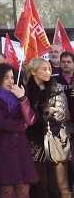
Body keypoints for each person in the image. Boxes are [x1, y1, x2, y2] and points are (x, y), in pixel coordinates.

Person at [0, 63, 37, 198]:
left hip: (20, 148)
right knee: (7, 190)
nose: (11, 81)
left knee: (24, 187)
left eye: (12, 77)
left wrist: (22, 98)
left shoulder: (18, 95)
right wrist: (21, 125)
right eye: (6, 78)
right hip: (3, 148)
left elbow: (31, 119)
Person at [26, 58, 72, 198]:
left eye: (49, 69)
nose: (48, 72)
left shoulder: (56, 87)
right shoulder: (27, 90)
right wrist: (46, 111)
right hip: (35, 140)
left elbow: (61, 114)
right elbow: (26, 116)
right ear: (34, 71)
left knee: (62, 184)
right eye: (44, 69)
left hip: (56, 137)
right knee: (41, 183)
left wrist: (46, 112)